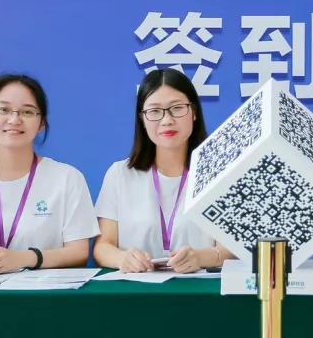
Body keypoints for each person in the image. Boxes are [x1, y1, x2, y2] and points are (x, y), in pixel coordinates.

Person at [0, 74, 97, 273]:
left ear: (42, 123)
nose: (14, 119)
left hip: (43, 290)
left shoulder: (67, 178)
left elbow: (78, 252)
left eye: (27, 112)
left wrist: (23, 258)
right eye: (4, 110)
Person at [93, 69, 229, 273]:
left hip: (201, 287)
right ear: (142, 118)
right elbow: (102, 246)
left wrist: (200, 257)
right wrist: (122, 258)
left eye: (177, 108)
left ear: (194, 112)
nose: (167, 120)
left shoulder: (221, 172)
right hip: (136, 286)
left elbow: (231, 248)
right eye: (155, 111)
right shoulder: (120, 174)